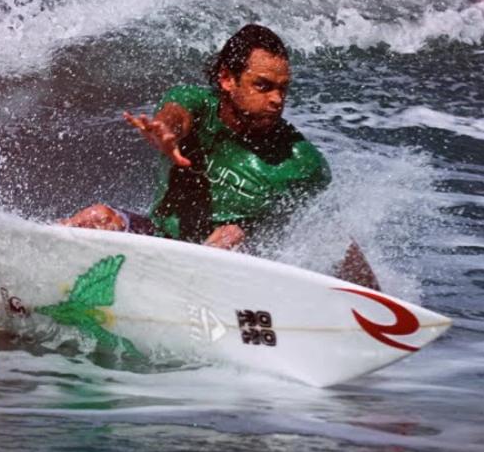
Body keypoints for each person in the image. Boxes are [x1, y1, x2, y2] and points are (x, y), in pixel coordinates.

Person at [61, 24, 379, 290]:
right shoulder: (196, 105)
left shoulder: (302, 163)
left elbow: (310, 234)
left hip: (233, 274)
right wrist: (165, 131)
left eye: (283, 89)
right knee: (97, 217)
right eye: (263, 86)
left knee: (242, 239)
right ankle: (33, 273)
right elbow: (176, 115)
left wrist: (247, 231)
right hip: (159, 242)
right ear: (228, 79)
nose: (276, 100)